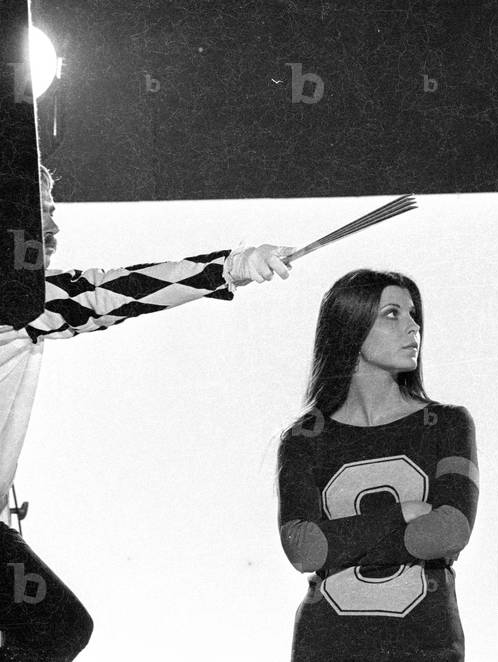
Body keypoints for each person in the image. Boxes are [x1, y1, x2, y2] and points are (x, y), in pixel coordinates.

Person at [0, 164, 293, 660]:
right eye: (39, 211)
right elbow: (107, 293)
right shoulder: (17, 300)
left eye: (53, 210)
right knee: (59, 627)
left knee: (57, 627)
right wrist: (230, 267)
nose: (53, 227)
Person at [277, 269, 478, 662]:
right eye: (393, 314)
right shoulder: (303, 438)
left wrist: (336, 544)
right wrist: (403, 513)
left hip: (424, 646)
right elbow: (304, 551)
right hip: (326, 647)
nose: (413, 327)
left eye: (414, 314)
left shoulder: (448, 424)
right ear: (350, 325)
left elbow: (448, 533)